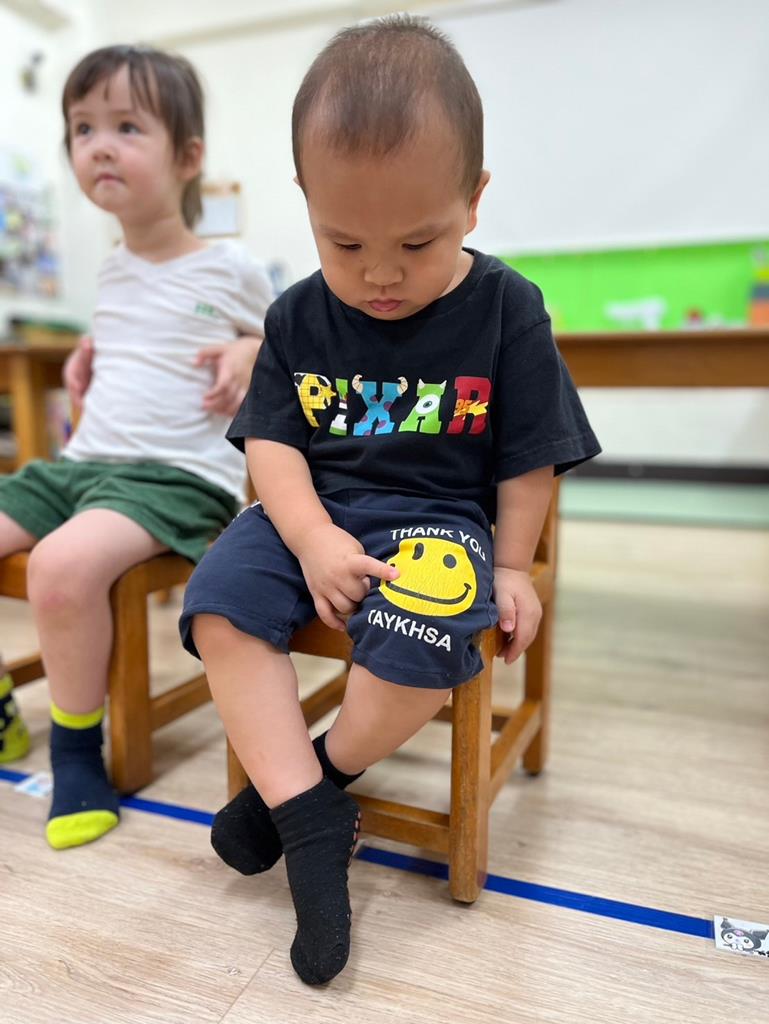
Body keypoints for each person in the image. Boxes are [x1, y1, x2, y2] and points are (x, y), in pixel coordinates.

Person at [179, 15, 601, 986]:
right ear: (305, 201)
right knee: (218, 606)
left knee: (430, 635)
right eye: (344, 241)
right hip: (308, 514)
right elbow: (273, 444)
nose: (379, 271)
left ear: (474, 201)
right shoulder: (294, 314)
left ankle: (314, 786)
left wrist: (511, 564)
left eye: (418, 241)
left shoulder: (507, 308)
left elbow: (527, 457)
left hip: (436, 519)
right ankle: (309, 814)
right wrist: (310, 536)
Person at [0, 45, 272, 850]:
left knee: (59, 568)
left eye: (126, 127)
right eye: (83, 129)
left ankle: (77, 751)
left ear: (187, 157)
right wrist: (92, 352)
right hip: (85, 465)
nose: (99, 146)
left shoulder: (231, 266)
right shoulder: (115, 270)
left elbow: (295, 352)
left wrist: (250, 350)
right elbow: (139, 337)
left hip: (175, 477)